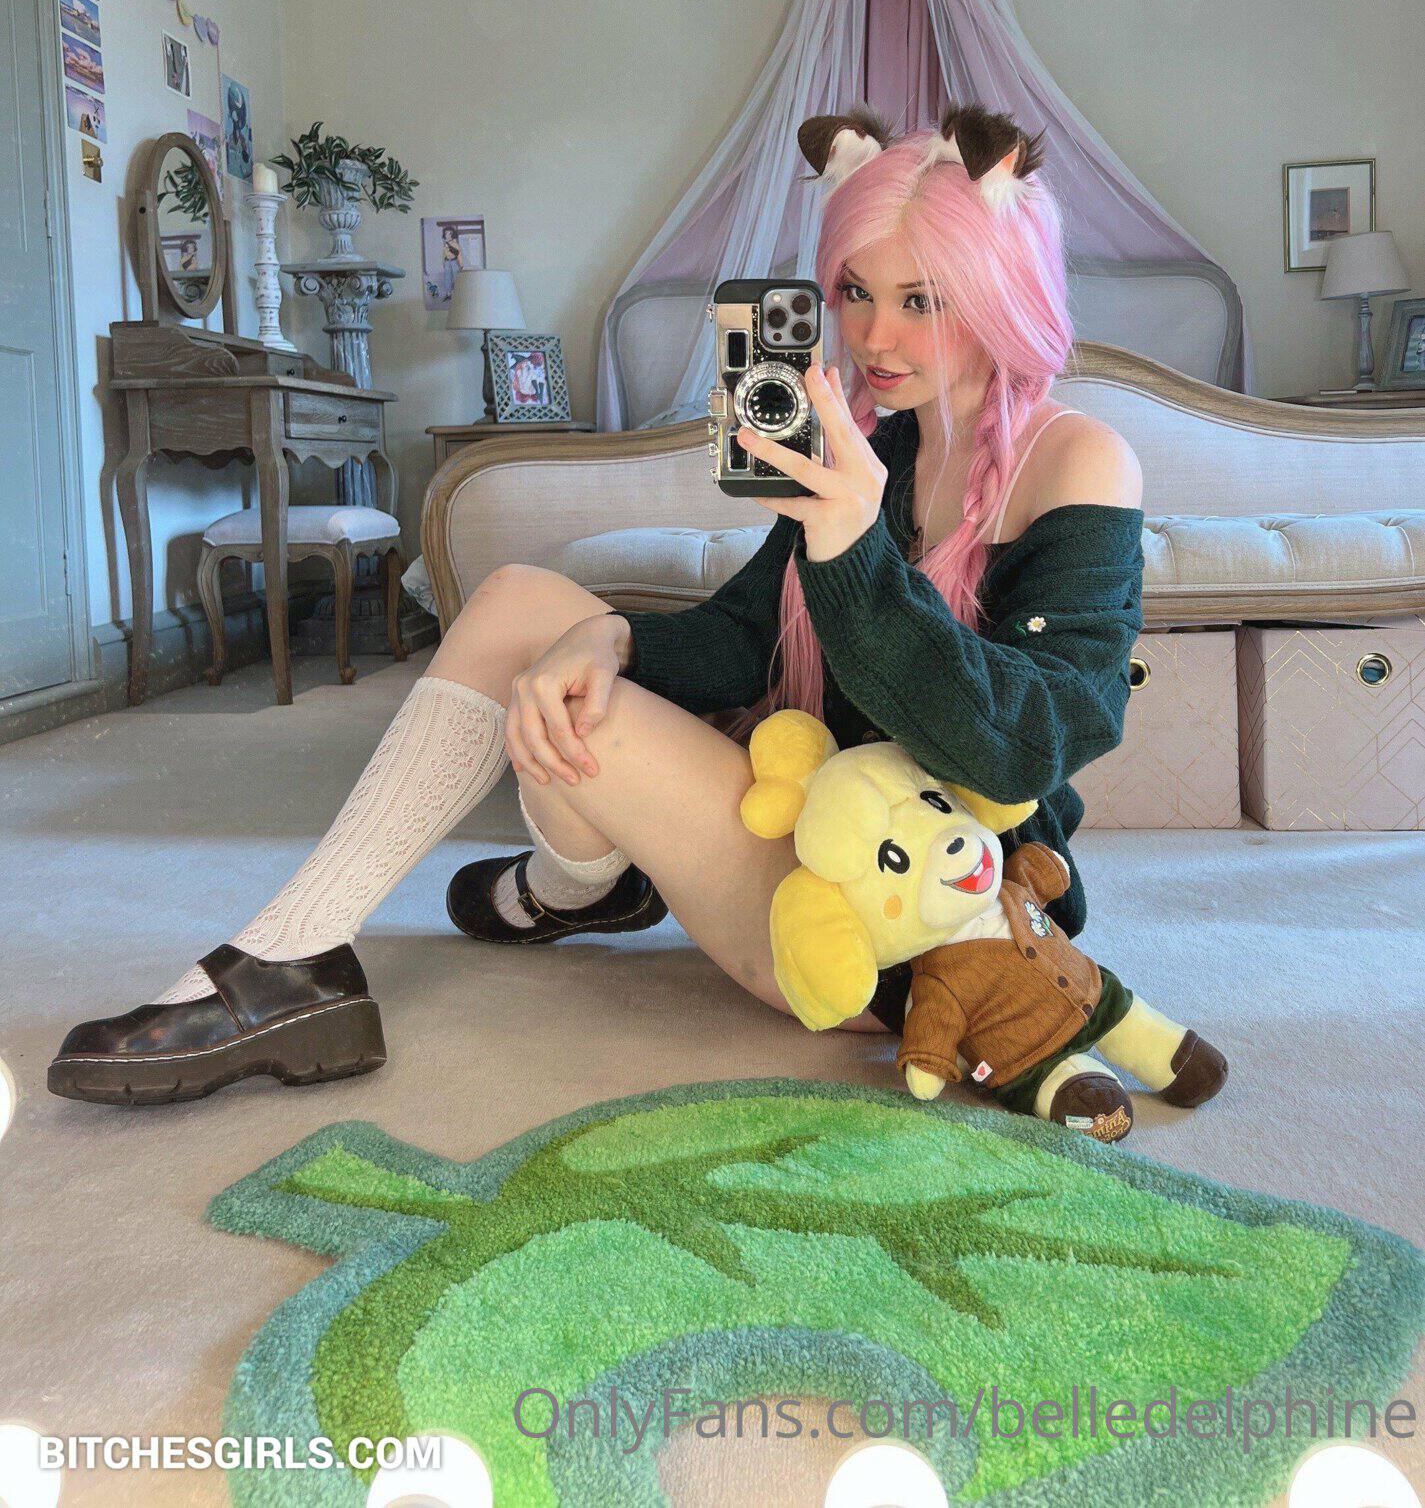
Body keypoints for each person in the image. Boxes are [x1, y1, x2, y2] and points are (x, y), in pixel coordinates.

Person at [49, 101, 1144, 1111]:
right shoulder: (878, 448)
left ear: (999, 287)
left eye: (921, 300)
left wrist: (853, 545)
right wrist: (607, 632)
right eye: (854, 291)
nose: (873, 338)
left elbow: (1028, 746)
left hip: (910, 928)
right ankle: (312, 952)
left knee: (587, 716)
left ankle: (567, 883)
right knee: (527, 607)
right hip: (808, 835)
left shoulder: (1078, 463)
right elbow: (741, 636)